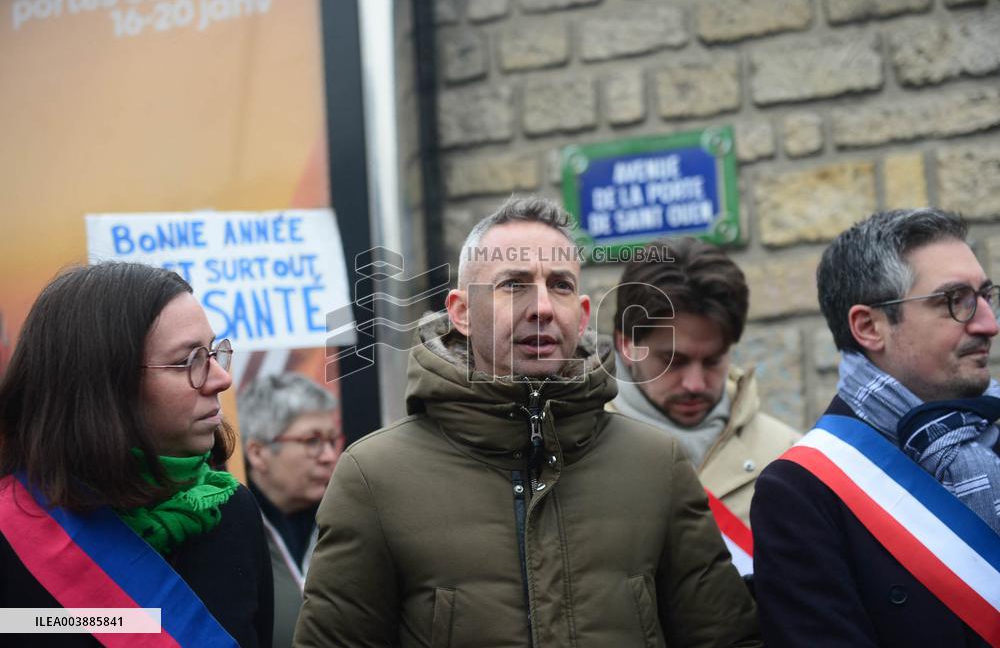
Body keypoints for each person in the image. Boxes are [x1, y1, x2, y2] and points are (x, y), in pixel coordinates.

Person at [294, 195, 761, 647]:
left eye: (559, 284)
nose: (541, 307)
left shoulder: (656, 464)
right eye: (513, 284)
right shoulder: (375, 478)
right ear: (461, 313)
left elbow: (723, 636)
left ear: (581, 317)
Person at [751, 209, 1000, 647]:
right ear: (869, 327)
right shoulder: (803, 491)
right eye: (954, 300)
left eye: (985, 295)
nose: (987, 323)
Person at [0, 262, 273, 647]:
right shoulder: (11, 530)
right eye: (187, 361)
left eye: (212, 352)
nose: (221, 378)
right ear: (103, 384)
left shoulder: (232, 512)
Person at [608, 237, 798, 575]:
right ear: (627, 344)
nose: (695, 384)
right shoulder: (574, 452)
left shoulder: (790, 457)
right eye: (673, 361)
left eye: (712, 360)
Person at [239, 372, 342, 648]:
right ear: (259, 453)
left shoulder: (348, 519)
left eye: (332, 440)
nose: (329, 456)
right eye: (312, 441)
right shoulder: (230, 531)